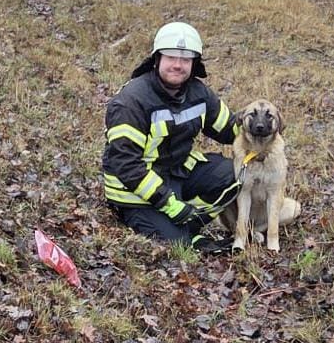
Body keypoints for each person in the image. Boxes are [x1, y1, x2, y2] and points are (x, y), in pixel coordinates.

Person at [102, 22, 240, 255]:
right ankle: (181, 230)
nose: (178, 65)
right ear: (157, 59)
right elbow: (126, 165)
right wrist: (168, 202)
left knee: (233, 173)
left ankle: (190, 222)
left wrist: (261, 126)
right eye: (171, 57)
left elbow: (229, 129)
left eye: (186, 60)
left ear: (194, 64)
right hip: (134, 192)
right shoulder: (131, 102)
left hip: (174, 173)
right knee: (178, 244)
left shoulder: (198, 93)